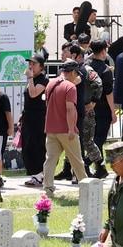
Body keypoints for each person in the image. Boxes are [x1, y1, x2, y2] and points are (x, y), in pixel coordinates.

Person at [43, 61, 87, 197]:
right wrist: (71, 129)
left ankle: (48, 189)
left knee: (50, 160)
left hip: (50, 128)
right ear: (73, 72)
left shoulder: (50, 83)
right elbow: (70, 109)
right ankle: (87, 188)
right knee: (77, 161)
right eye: (76, 74)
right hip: (65, 130)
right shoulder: (70, 87)